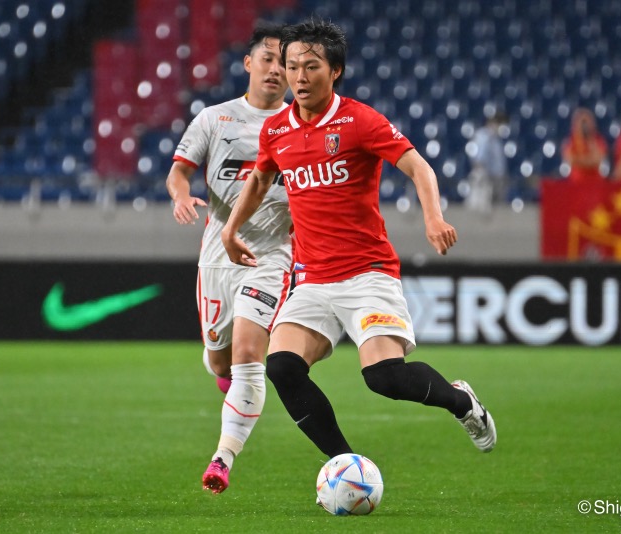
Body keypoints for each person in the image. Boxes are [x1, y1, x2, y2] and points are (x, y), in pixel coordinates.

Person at [221, 18, 496, 463]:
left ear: (335, 71)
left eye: (311, 66)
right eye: (292, 66)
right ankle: (345, 465)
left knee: (384, 378)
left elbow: (418, 167)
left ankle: (461, 401)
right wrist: (231, 230)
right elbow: (258, 181)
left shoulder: (358, 121)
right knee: (283, 367)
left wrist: (433, 218)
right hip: (311, 280)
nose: (298, 77)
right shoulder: (277, 130)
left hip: (367, 274)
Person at [165, 23, 291, 494]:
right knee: (221, 363)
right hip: (217, 259)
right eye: (269, 59)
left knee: (248, 357)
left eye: (285, 62)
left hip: (271, 256)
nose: (277, 69)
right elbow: (179, 173)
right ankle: (227, 378)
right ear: (248, 63)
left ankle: (223, 458)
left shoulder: (299, 124)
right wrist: (180, 196)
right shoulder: (215, 119)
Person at [465, 109, 508, 213]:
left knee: (491, 207)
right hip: (482, 173)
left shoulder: (496, 139)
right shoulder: (483, 136)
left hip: (494, 177)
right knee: (477, 204)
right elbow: (478, 154)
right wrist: (480, 168)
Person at [561, 107, 608, 185]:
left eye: (587, 122)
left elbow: (598, 159)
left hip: (595, 182)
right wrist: (588, 161)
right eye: (582, 122)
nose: (584, 126)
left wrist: (590, 140)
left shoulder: (598, 140)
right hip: (576, 182)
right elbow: (571, 160)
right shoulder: (570, 141)